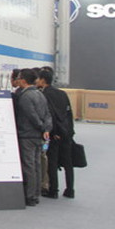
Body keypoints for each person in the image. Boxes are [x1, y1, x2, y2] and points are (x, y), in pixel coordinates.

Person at [14, 68, 52, 206]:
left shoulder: (25, 96)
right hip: (38, 136)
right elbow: (47, 114)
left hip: (27, 135)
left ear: (24, 80)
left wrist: (41, 127)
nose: (17, 80)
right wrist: (46, 128)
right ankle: (36, 194)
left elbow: (32, 115)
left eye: (19, 78)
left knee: (29, 165)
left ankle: (30, 195)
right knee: (36, 164)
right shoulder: (40, 94)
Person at [39, 68, 75, 199]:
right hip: (66, 133)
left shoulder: (44, 95)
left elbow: (50, 115)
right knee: (68, 163)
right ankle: (70, 189)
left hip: (54, 134)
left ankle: (53, 190)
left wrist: (53, 132)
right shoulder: (62, 93)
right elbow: (69, 114)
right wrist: (69, 131)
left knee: (52, 162)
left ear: (43, 80)